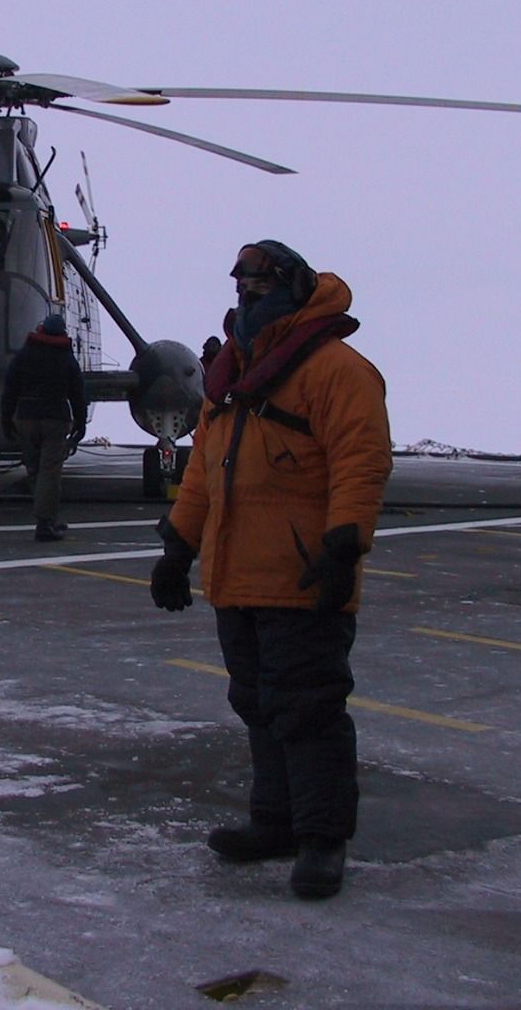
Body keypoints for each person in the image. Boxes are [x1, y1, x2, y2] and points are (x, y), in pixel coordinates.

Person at [149, 241, 391, 900]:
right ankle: (276, 821)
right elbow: (203, 472)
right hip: (237, 576)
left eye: (260, 287)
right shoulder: (232, 375)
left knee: (308, 708)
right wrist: (178, 548)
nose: (248, 298)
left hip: (302, 577)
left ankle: (321, 839)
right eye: (243, 288)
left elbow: (360, 461)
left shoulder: (337, 369)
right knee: (258, 703)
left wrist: (344, 551)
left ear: (295, 287)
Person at [0, 313, 87, 542]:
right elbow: (78, 393)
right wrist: (80, 422)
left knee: (34, 468)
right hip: (55, 419)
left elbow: (10, 389)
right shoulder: (66, 358)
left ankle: (44, 514)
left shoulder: (24, 355)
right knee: (50, 471)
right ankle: (45, 522)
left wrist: (6, 419)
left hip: (26, 417)